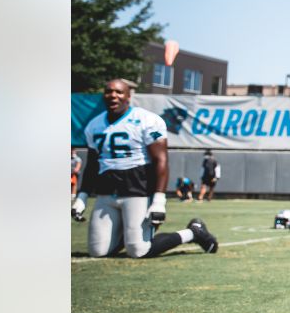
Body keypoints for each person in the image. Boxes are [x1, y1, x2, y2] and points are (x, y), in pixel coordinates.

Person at [72, 78, 219, 257]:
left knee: (138, 250)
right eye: (109, 91)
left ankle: (193, 232)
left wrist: (159, 200)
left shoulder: (146, 120)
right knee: (98, 251)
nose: (113, 96)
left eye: (119, 92)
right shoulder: (94, 125)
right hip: (106, 193)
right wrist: (82, 197)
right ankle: (128, 234)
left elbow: (161, 160)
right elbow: (92, 165)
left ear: (128, 96)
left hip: (138, 190)